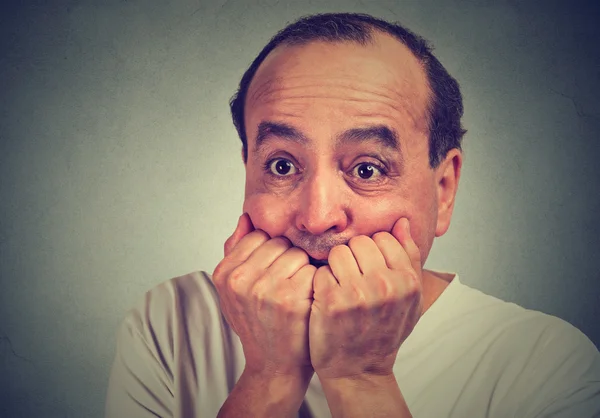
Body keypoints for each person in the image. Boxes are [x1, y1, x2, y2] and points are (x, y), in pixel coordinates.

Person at [104, 12, 600, 418]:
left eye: (367, 168)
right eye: (281, 165)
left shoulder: (546, 364)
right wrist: (268, 378)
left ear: (443, 189)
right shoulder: (169, 324)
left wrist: (361, 382)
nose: (317, 217)